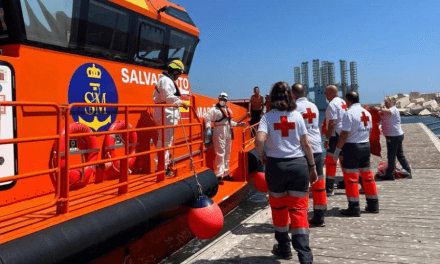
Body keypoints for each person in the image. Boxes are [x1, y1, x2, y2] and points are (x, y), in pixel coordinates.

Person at [255, 82, 317, 264]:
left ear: (273, 97)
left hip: (276, 168)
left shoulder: (268, 117)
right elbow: (307, 145)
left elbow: (259, 141)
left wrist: (262, 156)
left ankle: (284, 248)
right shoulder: (297, 116)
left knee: (279, 209)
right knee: (299, 211)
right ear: (290, 96)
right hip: (298, 166)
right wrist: (312, 167)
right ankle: (305, 256)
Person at [334, 90, 379, 217]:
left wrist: (337, 150)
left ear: (348, 100)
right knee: (368, 176)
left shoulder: (349, 114)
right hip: (365, 146)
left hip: (352, 147)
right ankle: (373, 205)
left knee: (351, 178)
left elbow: (344, 135)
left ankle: (353, 208)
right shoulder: (367, 113)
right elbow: (370, 131)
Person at [292, 83, 327, 227]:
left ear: (293, 94)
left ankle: (302, 217)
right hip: (317, 147)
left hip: (303, 149)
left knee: (302, 186)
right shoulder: (313, 106)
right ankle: (320, 216)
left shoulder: (294, 108)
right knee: (318, 183)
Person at [152, 60, 188, 177]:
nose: (179, 76)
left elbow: (170, 94)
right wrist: (181, 102)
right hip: (165, 113)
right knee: (165, 142)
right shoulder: (165, 81)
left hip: (166, 113)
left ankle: (162, 166)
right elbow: (167, 96)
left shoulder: (166, 80)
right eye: (179, 73)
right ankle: (162, 168)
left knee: (165, 141)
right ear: (175, 70)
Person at [204, 92, 245, 183]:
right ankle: (219, 175)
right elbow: (207, 117)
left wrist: (238, 124)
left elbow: (230, 122)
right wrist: (208, 127)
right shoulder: (214, 110)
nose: (222, 101)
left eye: (224, 100)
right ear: (219, 99)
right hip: (219, 130)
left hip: (228, 131)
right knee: (220, 153)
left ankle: (226, 173)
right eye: (221, 99)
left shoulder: (228, 110)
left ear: (226, 100)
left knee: (227, 152)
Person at [377, 97, 412, 180]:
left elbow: (388, 111)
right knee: (399, 155)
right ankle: (408, 171)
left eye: (386, 102)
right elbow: (383, 118)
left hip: (394, 136)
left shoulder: (393, 109)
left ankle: (390, 174)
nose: (384, 103)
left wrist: (380, 109)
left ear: (390, 102)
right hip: (395, 135)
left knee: (391, 155)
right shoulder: (387, 111)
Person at [323, 85, 347, 196]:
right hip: (345, 134)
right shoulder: (343, 102)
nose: (325, 96)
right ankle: (350, 183)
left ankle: (329, 188)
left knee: (330, 161)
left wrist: (327, 138)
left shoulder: (332, 105)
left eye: (326, 93)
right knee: (344, 160)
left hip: (335, 135)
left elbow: (332, 123)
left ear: (330, 93)